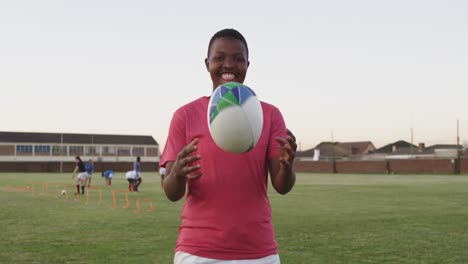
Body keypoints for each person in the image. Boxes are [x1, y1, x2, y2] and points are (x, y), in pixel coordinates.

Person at [160, 28, 297, 264]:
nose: (229, 65)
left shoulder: (270, 114)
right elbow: (172, 193)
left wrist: (287, 166)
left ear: (248, 64)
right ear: (207, 63)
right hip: (198, 251)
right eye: (219, 57)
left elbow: (282, 186)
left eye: (238, 58)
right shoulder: (185, 115)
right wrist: (178, 172)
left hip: (258, 251)